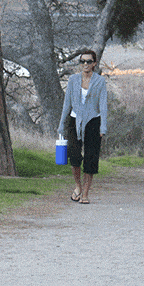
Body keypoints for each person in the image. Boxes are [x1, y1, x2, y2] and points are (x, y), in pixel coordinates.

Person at [57, 50, 108, 204]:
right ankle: (78, 186)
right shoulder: (73, 80)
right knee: (74, 156)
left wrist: (103, 128)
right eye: (82, 61)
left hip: (93, 121)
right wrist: (61, 125)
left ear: (94, 63)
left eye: (88, 61)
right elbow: (67, 104)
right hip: (74, 120)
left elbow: (103, 105)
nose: (85, 64)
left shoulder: (99, 81)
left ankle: (85, 193)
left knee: (91, 157)